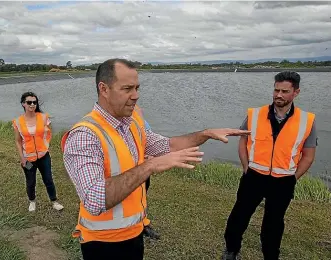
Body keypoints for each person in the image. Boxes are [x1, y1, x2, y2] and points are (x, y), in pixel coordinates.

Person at [61, 58, 250, 260]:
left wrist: (206, 133)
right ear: (104, 89)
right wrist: (150, 165)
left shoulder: (131, 123)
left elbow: (167, 146)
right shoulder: (85, 135)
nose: (136, 96)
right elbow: (94, 199)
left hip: (133, 233)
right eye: (127, 89)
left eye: (137, 88)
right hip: (103, 243)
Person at [222, 71, 317, 260]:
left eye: (284, 91)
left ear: (296, 92)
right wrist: (246, 167)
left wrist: (293, 177)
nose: (278, 95)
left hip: (283, 181)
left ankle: (270, 254)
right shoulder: (255, 114)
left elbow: (308, 155)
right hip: (254, 175)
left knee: (273, 224)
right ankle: (231, 250)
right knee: (239, 216)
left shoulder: (307, 121)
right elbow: (243, 142)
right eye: (276, 90)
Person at [13, 92, 64, 212]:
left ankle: (54, 201)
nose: (32, 105)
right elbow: (18, 141)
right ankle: (32, 202)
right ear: (23, 104)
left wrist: (45, 146)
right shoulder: (18, 122)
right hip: (28, 158)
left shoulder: (43, 117)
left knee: (48, 179)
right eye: (29, 102)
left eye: (34, 102)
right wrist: (22, 158)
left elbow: (49, 133)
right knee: (31, 181)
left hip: (44, 156)